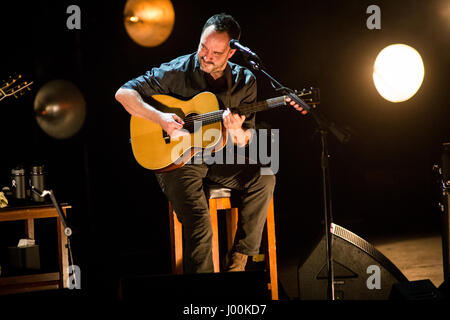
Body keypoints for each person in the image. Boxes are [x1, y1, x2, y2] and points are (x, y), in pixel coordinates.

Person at [115, 13, 305, 273]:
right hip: (177, 161)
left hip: (217, 156)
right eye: (203, 46)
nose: (206, 55)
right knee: (201, 225)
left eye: (216, 52)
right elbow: (123, 94)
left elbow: (243, 138)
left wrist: (237, 132)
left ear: (231, 54)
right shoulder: (176, 70)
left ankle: (238, 261)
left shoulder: (245, 80)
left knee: (265, 176)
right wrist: (160, 119)